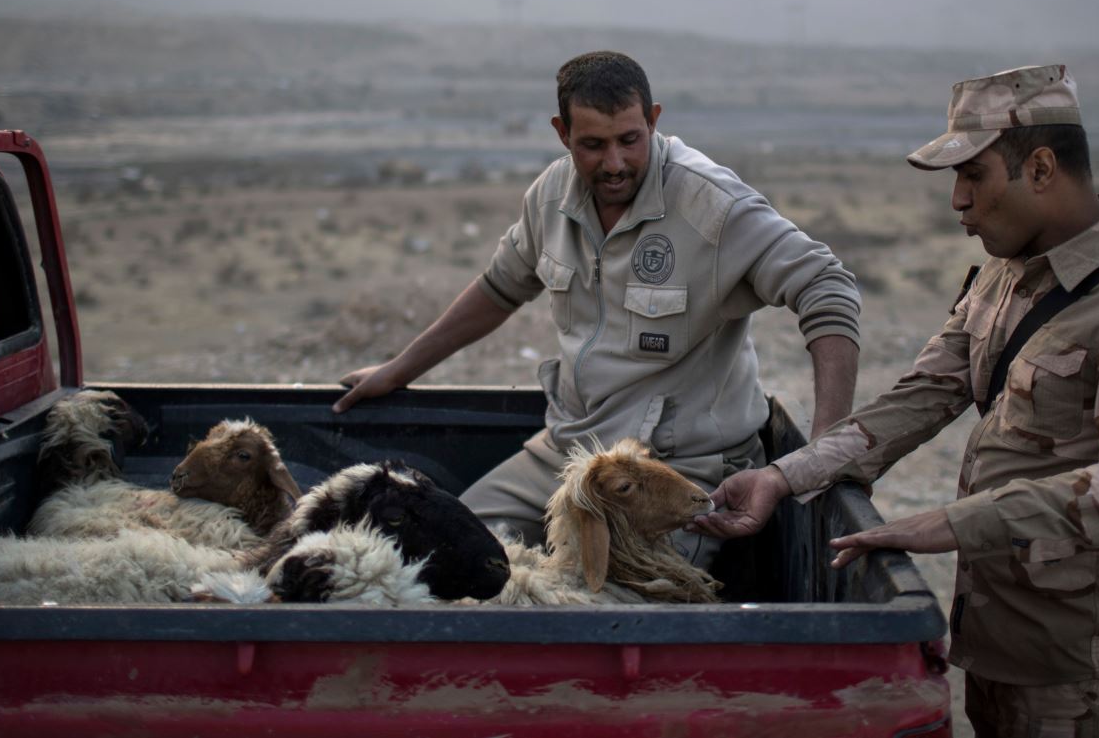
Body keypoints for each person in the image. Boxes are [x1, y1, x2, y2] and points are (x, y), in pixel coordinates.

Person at [691, 64, 1099, 737]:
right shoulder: (1005, 275)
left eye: (974, 175)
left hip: (1089, 672)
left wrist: (955, 523)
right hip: (999, 641)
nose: (958, 200)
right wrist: (785, 475)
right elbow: (922, 395)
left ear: (1041, 168)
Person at [333, 50, 862, 566]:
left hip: (676, 470)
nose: (614, 164)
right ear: (562, 134)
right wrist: (397, 370)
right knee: (442, 558)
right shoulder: (551, 198)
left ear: (653, 121)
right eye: (592, 145)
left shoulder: (712, 206)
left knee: (617, 601)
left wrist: (822, 452)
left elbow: (827, 286)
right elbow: (499, 288)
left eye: (630, 140)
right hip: (569, 455)